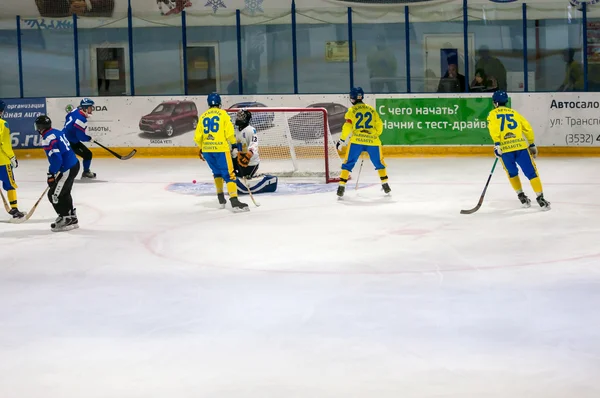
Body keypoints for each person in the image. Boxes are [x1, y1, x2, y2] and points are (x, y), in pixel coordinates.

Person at [487, 91, 550, 210]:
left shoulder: (492, 114)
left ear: (495, 103)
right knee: (531, 173)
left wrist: (497, 145)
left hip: (506, 150)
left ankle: (521, 196)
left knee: (512, 173)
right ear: (506, 102)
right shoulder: (514, 113)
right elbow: (527, 128)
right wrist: (531, 143)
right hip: (521, 147)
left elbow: (494, 129)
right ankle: (540, 198)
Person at [194, 93, 249, 212]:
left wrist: (201, 148)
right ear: (219, 102)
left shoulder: (203, 116)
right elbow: (229, 133)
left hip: (207, 150)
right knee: (229, 175)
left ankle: (221, 198)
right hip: (221, 149)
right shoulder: (223, 114)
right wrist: (234, 144)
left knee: (217, 173)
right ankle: (234, 201)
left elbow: (198, 137)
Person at [335, 87, 390, 199]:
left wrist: (341, 140)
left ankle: (341, 186)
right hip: (373, 141)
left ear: (352, 98)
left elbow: (347, 126)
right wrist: (373, 135)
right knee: (379, 162)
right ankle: (385, 184)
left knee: (348, 162)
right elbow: (379, 125)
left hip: (356, 141)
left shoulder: (351, 111)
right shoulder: (371, 110)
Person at [35, 115, 81, 231]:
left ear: (41, 127)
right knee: (64, 193)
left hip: (67, 168)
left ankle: (65, 218)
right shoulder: (56, 132)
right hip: (73, 165)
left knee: (54, 195)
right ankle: (71, 217)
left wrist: (51, 173)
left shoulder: (47, 138)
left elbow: (56, 158)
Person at [231, 109, 277, 195]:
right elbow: (235, 145)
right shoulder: (237, 130)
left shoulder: (251, 130)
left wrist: (248, 155)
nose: (238, 118)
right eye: (238, 116)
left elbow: (254, 144)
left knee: (245, 177)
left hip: (251, 162)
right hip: (240, 159)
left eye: (241, 116)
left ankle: (253, 177)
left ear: (246, 118)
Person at [0, 100, 25, 219]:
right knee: (10, 185)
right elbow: (4, 144)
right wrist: (12, 157)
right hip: (3, 162)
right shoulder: (3, 124)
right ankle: (14, 210)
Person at [64, 98, 96, 179]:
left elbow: (67, 116)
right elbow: (81, 137)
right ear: (85, 108)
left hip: (64, 137)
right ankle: (86, 172)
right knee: (88, 154)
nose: (91, 109)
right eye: (90, 107)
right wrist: (89, 138)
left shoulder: (75, 110)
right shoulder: (81, 120)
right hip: (70, 141)